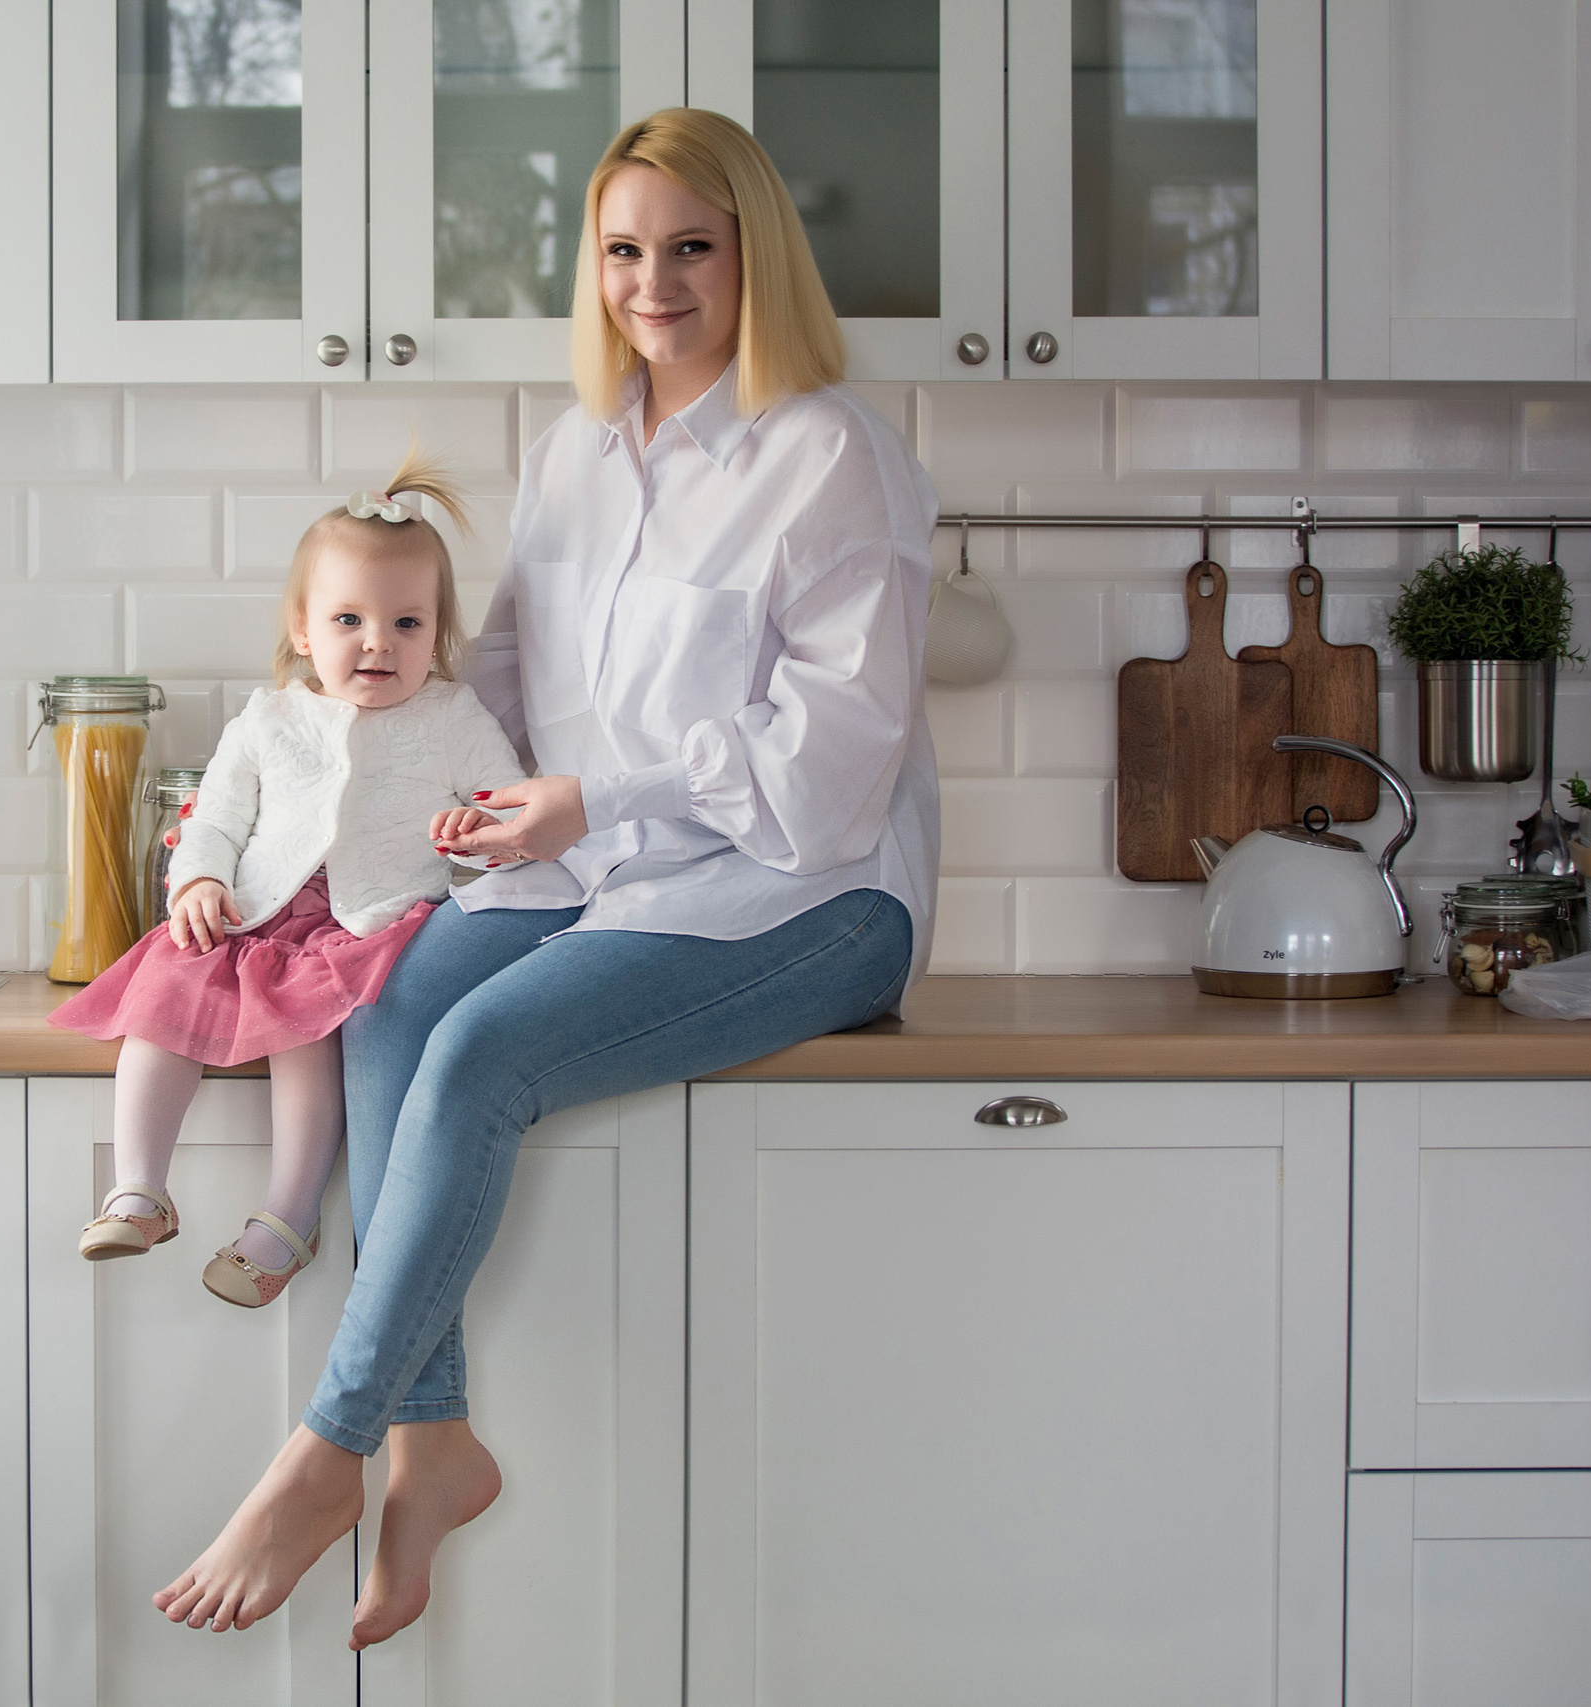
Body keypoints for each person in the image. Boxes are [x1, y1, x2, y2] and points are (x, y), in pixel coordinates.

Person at [153, 104, 942, 1647]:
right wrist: (442, 809)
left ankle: (329, 1449)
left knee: (484, 1047)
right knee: (389, 1010)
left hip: (807, 892)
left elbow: (830, 768)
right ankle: (437, 1443)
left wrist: (594, 794)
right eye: (625, 251)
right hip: (598, 868)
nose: (655, 281)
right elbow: (505, 671)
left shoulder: (834, 454)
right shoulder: (581, 449)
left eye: (692, 247)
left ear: (754, 256)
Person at [48, 452, 527, 1308]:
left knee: (305, 1033)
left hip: (364, 924)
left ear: (437, 634)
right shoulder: (268, 716)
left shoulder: (454, 716)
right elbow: (217, 819)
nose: (378, 642)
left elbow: (506, 817)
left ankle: (288, 1216)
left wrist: (476, 837)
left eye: (408, 624)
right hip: (254, 913)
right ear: (304, 629)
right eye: (350, 619)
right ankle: (139, 1186)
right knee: (164, 989)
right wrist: (196, 882)